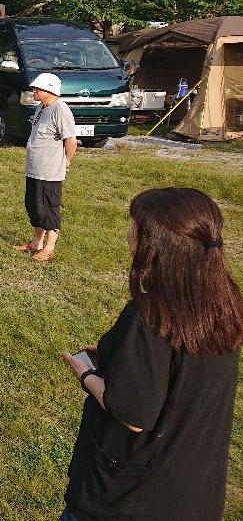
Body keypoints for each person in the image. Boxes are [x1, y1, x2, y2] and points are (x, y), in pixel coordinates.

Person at [60, 188, 242, 521]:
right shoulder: (222, 303)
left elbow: (132, 414)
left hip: (128, 500)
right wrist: (120, 357)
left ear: (156, 243)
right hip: (194, 490)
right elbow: (180, 370)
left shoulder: (152, 315)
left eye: (135, 225)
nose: (129, 233)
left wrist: (85, 374)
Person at [15, 72, 76, 262]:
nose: (34, 91)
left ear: (50, 90)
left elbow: (71, 140)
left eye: (38, 88)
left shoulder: (60, 110)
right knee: (34, 206)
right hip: (35, 169)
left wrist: (66, 162)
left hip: (49, 172)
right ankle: (36, 243)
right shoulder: (41, 107)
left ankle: (49, 248)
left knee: (48, 208)